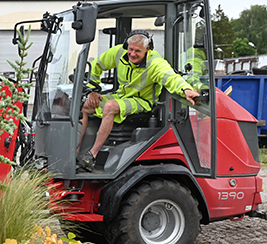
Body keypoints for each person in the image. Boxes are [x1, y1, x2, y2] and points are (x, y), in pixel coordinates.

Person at [76, 30, 201, 172]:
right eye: (130, 49)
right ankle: (75, 153)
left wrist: (185, 90)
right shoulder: (119, 53)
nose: (132, 54)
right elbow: (97, 65)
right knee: (85, 106)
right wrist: (92, 90)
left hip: (142, 101)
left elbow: (171, 77)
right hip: (121, 96)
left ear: (147, 49)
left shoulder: (155, 63)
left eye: (137, 51)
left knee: (110, 106)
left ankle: (91, 155)